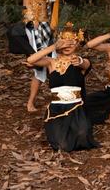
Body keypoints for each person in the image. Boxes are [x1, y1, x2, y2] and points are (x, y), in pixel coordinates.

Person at [26, 23, 98, 152]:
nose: (67, 46)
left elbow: (85, 64)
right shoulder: (51, 62)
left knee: (82, 137)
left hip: (76, 107)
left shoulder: (80, 61)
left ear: (77, 44)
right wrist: (53, 47)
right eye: (64, 43)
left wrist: (80, 61)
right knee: (62, 146)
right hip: (57, 108)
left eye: (71, 43)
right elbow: (31, 59)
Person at [5, 0, 60, 113]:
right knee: (44, 64)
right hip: (29, 27)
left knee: (48, 66)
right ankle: (32, 58)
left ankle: (58, 98)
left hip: (45, 29)